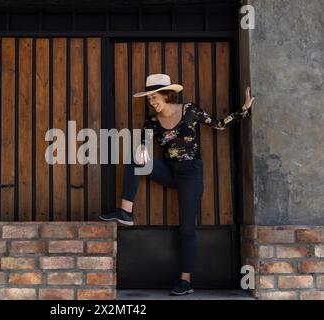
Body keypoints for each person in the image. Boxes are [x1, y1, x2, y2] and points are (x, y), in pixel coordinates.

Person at [99, 73, 255, 296]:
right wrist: (142, 148)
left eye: (155, 97)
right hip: (169, 171)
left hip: (190, 174)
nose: (152, 102)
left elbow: (219, 125)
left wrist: (244, 109)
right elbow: (144, 143)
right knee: (134, 158)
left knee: (186, 229)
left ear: (166, 95)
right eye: (149, 99)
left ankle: (185, 280)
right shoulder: (151, 122)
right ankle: (125, 212)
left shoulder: (190, 110)